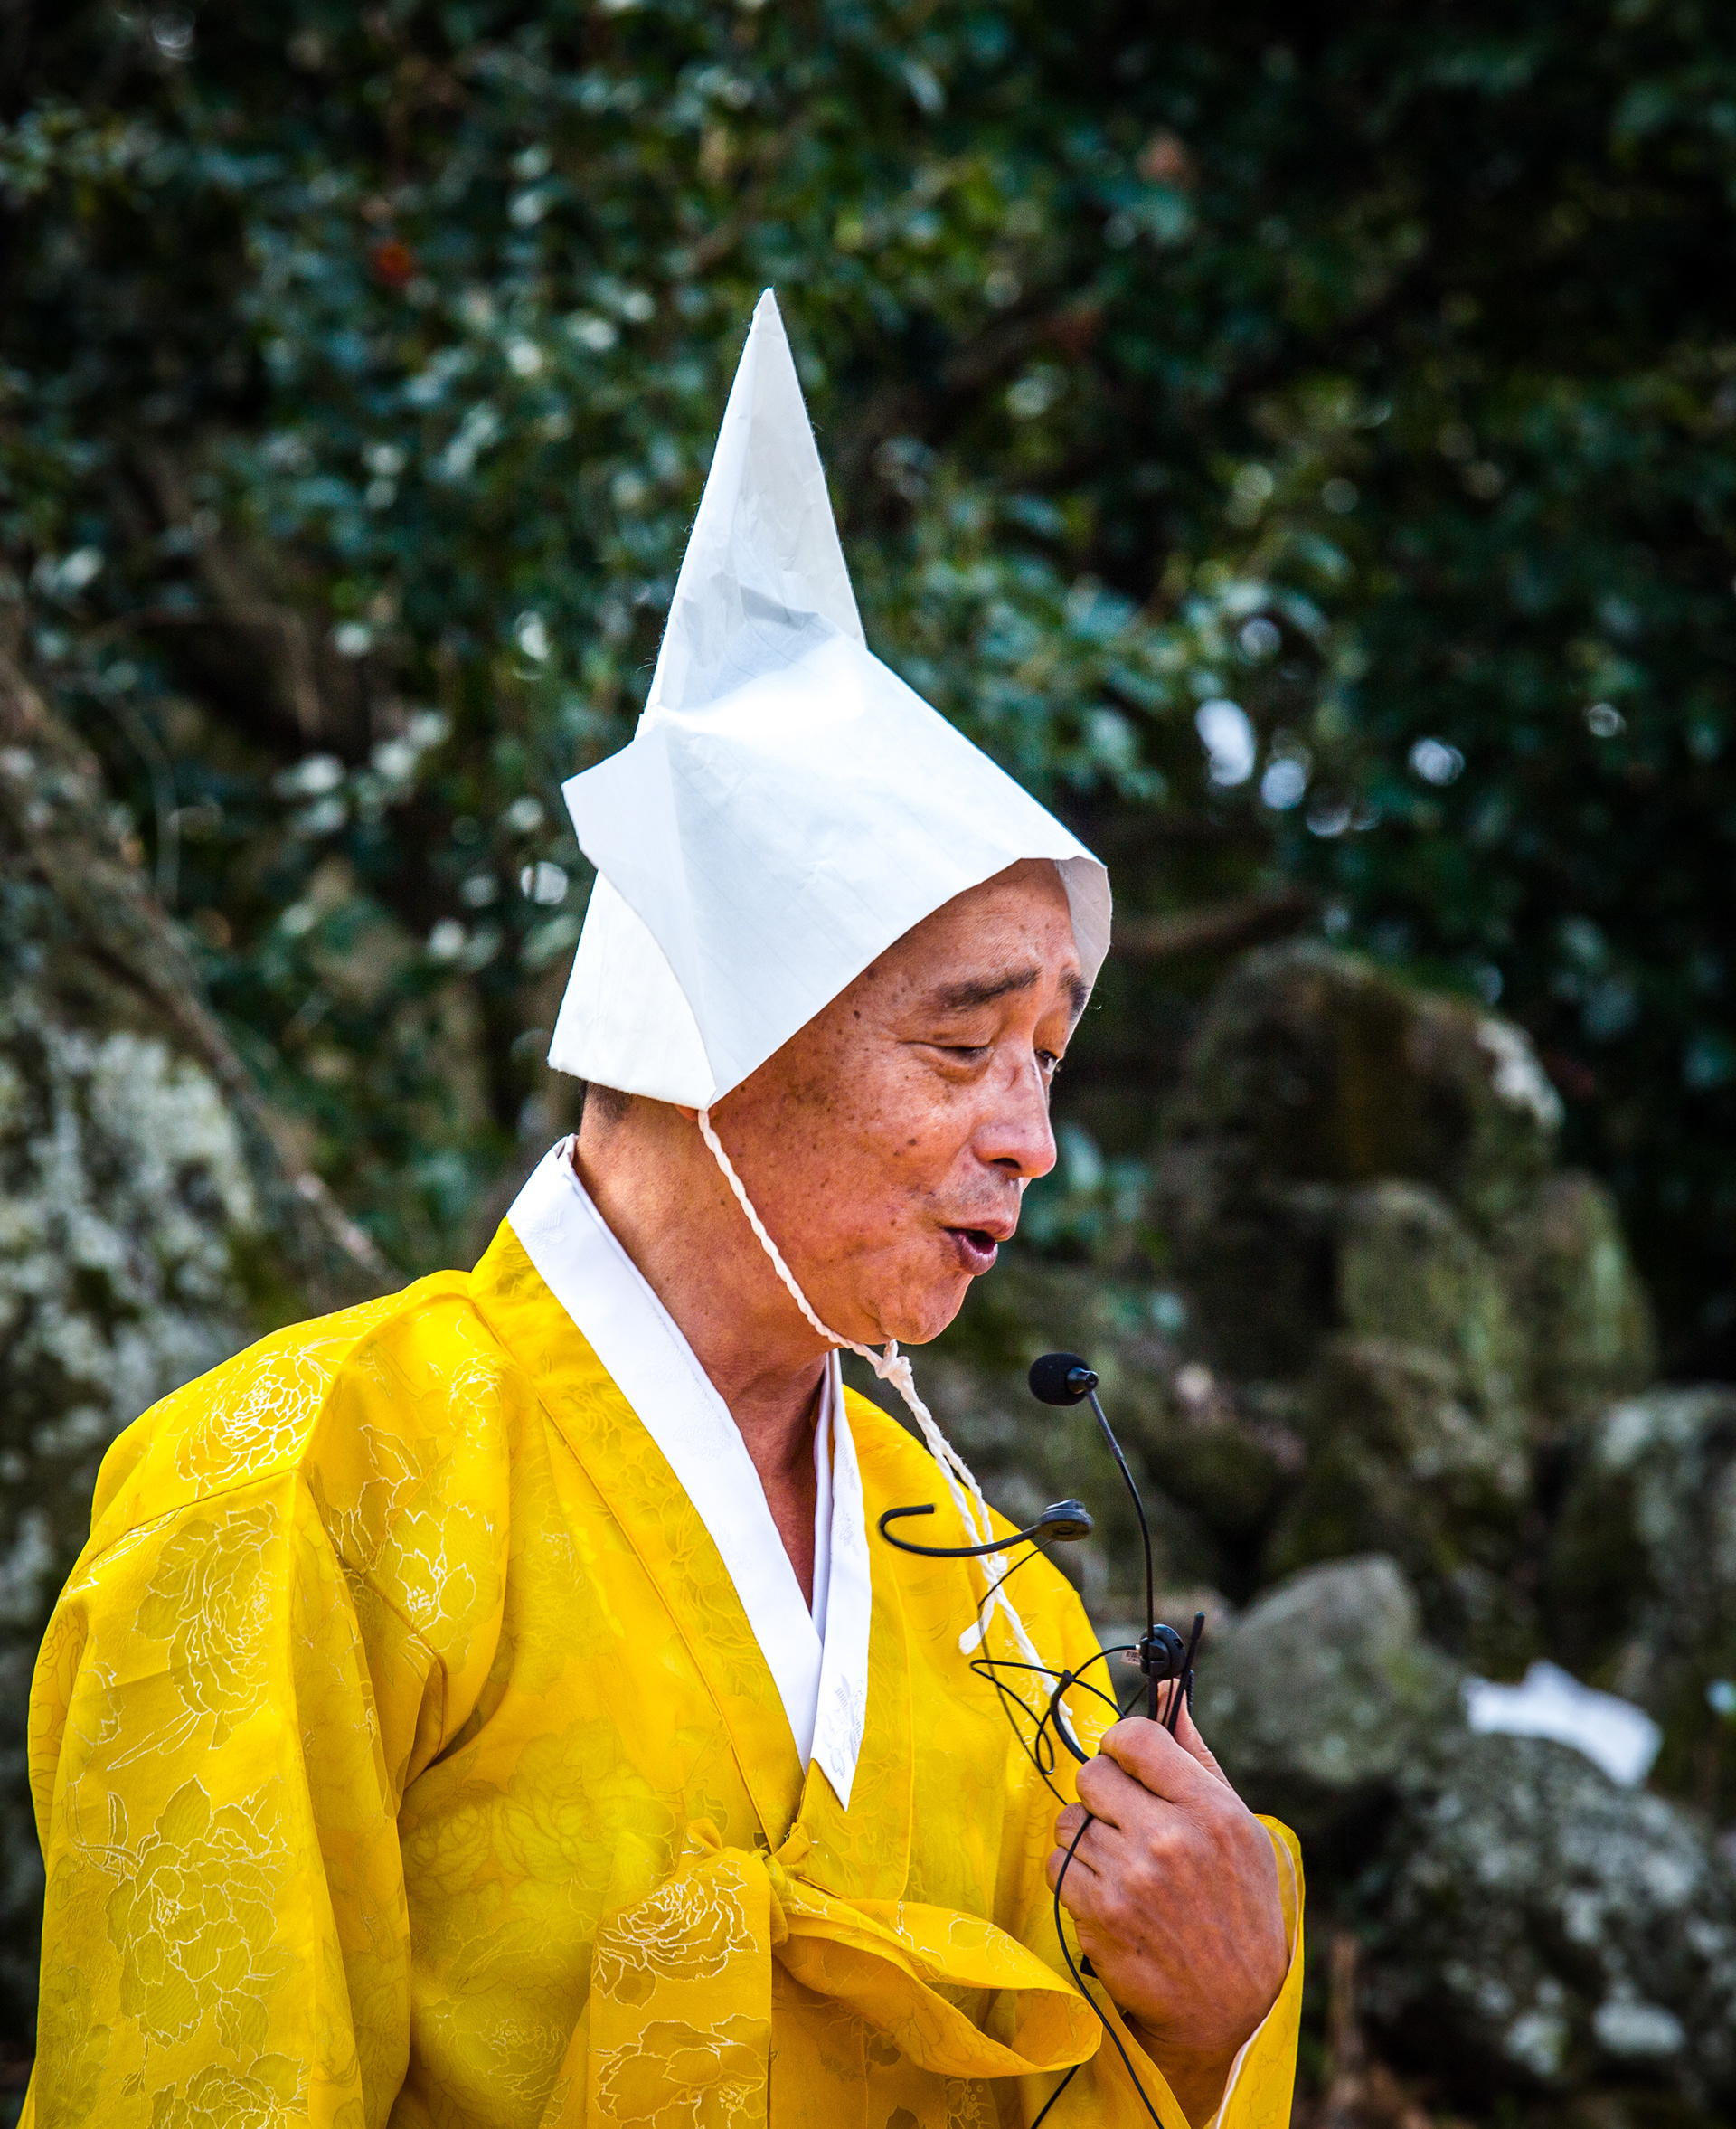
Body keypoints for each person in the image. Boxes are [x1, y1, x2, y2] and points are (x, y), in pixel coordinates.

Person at [24, 294, 1302, 2129]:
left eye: (1049, 1057)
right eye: (963, 1049)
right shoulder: (309, 1480)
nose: (1031, 1138)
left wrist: (1212, 2022)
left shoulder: (998, 1609)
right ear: (718, 1038)